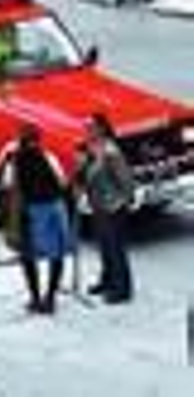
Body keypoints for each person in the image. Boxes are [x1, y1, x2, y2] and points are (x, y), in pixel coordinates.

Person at [8, 124, 70, 314]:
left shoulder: (17, 160)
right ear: (38, 140)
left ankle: (35, 298)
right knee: (56, 254)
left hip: (33, 211)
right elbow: (62, 181)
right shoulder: (48, 157)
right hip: (55, 208)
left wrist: (13, 221)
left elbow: (15, 190)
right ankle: (50, 298)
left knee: (28, 255)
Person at [76, 113, 135, 304]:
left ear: (101, 129)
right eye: (86, 127)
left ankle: (122, 289)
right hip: (98, 205)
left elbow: (125, 179)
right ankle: (107, 280)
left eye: (91, 127)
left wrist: (125, 200)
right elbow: (85, 175)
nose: (87, 131)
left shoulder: (111, 151)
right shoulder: (91, 150)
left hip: (113, 206)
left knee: (115, 248)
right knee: (104, 246)